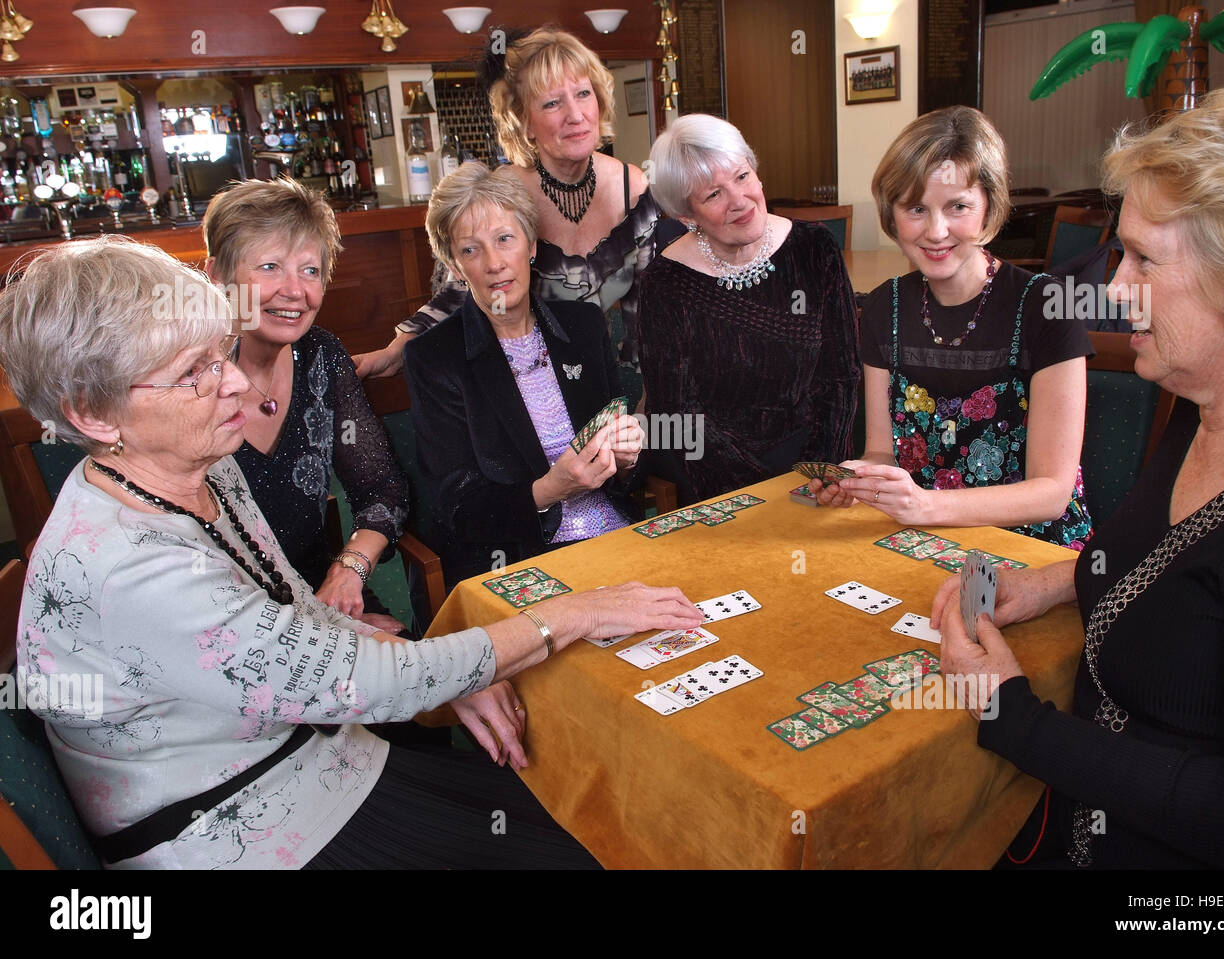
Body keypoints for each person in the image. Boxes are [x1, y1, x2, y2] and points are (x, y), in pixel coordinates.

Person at [0, 236, 702, 869]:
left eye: (222, 355)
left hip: (317, 754)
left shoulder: (197, 464)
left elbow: (290, 611)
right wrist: (571, 614)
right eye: (194, 372)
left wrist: (439, 669)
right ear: (91, 412)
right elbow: (359, 681)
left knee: (581, 807)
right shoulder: (127, 568)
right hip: (239, 829)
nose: (238, 381)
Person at [932, 88, 1224, 868]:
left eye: (1143, 259)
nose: (1114, 287)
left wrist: (1011, 713)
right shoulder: (1205, 396)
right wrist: (1056, 582)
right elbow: (1178, 572)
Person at [353, 27, 677, 405]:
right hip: (511, 381)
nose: (576, 115)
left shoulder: (634, 189)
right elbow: (460, 291)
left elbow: (649, 319)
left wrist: (647, 412)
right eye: (552, 103)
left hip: (593, 376)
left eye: (583, 94)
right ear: (523, 121)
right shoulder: (500, 196)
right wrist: (398, 349)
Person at [819, 106, 1093, 549]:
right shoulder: (883, 307)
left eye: (957, 206)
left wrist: (925, 506)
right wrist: (860, 478)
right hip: (918, 536)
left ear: (989, 208)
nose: (936, 230)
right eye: (916, 208)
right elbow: (882, 452)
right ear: (892, 215)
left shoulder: (1048, 306)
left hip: (1032, 545)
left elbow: (1052, 494)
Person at [404, 162, 646, 589]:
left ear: (531, 246)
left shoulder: (585, 325)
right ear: (455, 267)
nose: (495, 263)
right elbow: (459, 508)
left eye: (504, 239)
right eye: (471, 249)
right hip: (520, 561)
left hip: (616, 536)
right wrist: (550, 490)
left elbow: (625, 469)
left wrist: (626, 460)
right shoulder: (434, 357)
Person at [202, 178, 407, 634]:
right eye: (270, 266)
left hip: (325, 594)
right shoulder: (185, 377)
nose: (295, 291)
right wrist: (323, 630)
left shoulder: (321, 354)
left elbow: (382, 489)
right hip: (225, 620)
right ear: (217, 275)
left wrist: (349, 569)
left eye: (310, 271)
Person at [636, 113, 860, 503]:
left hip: (809, 460)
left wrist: (819, 472)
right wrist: (759, 495)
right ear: (688, 217)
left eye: (742, 177)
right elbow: (674, 411)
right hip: (710, 473)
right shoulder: (665, 283)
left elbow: (841, 375)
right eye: (713, 194)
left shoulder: (815, 248)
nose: (739, 201)